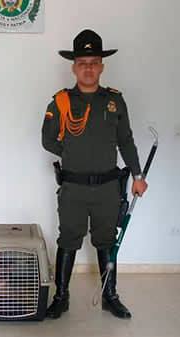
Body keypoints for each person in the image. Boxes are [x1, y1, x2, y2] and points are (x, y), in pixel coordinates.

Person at [42, 29, 148, 320]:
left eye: (94, 63)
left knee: (106, 241)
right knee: (68, 240)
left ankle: (109, 296)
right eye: (82, 63)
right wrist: (72, 151)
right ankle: (61, 298)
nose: (88, 68)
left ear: (102, 66)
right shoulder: (61, 102)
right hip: (74, 187)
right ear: (74, 67)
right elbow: (47, 139)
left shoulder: (115, 101)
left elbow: (126, 140)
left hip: (107, 188)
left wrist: (138, 175)